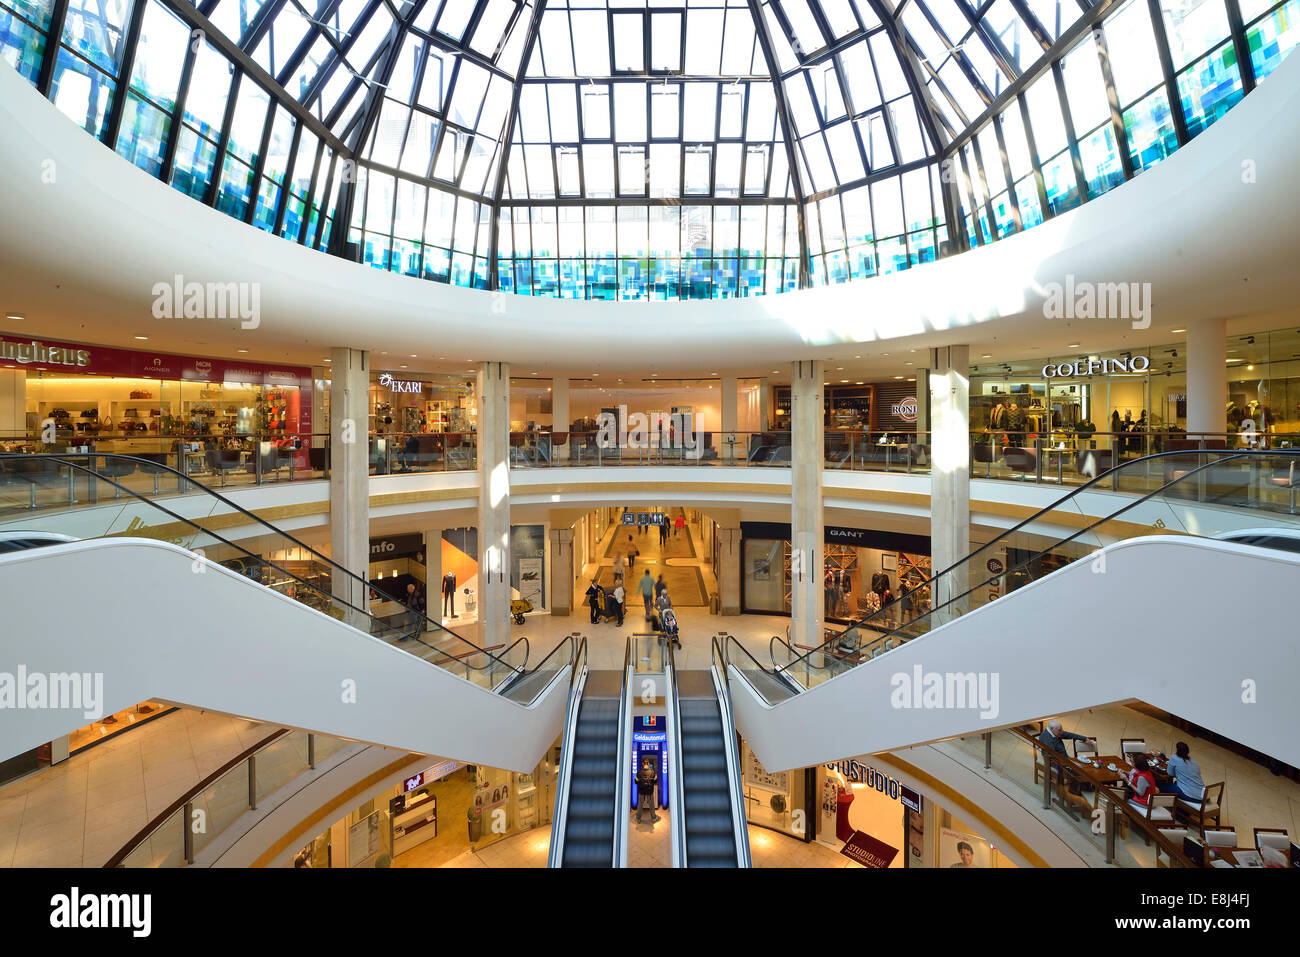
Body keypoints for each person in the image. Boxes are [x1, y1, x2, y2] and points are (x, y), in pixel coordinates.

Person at [635, 756, 660, 824]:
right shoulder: (652, 772)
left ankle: (638, 818)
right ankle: (653, 818)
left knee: (640, 804)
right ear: (648, 764)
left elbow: (636, 781)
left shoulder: (639, 772)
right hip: (649, 790)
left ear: (643, 764)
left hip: (641, 790)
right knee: (651, 804)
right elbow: (655, 781)